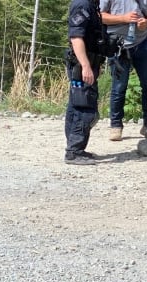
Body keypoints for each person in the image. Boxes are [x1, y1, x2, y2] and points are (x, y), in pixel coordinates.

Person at [100, 0, 147, 141]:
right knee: (119, 87)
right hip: (117, 45)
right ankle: (116, 125)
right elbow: (100, 15)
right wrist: (123, 18)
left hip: (143, 42)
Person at [64, 0, 106, 164]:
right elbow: (76, 37)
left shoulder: (91, 5)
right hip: (81, 65)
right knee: (84, 106)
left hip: (88, 63)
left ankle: (75, 148)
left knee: (77, 106)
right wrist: (86, 66)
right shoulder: (82, 4)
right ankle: (74, 152)